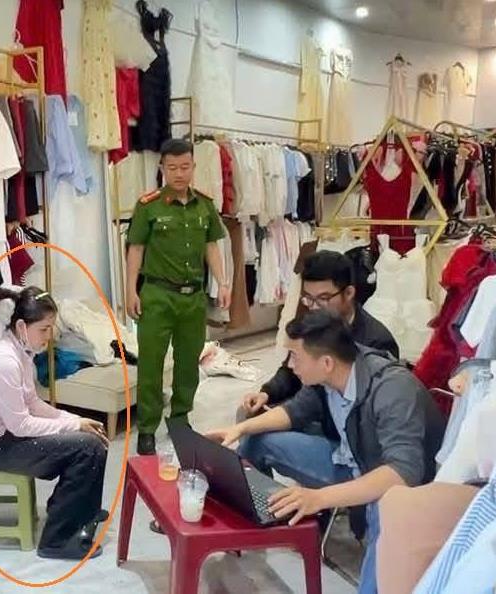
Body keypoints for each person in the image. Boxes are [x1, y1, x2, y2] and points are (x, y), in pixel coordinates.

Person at [207, 310, 445, 594]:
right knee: (256, 441)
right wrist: (240, 429)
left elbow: (403, 472)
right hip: (347, 461)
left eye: (295, 356)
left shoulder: (392, 388)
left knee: (387, 512)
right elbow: (295, 411)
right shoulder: (330, 374)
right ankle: (252, 526)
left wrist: (318, 498)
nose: (290, 365)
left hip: (392, 485)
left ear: (327, 363)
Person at [0, 286, 110, 560]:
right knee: (88, 447)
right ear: (21, 326)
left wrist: (76, 419)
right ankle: (56, 541)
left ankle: (79, 510)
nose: (49, 337)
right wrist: (73, 427)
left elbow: (34, 404)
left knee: (93, 437)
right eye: (44, 329)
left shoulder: (21, 354)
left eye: (51, 328)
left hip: (4, 437)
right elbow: (21, 425)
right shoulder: (4, 362)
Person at [125, 138, 230, 456]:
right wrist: (130, 289)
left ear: (193, 167)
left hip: (192, 298)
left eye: (185, 167)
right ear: (162, 168)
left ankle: (180, 418)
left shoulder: (205, 205)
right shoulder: (148, 206)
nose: (179, 174)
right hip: (157, 295)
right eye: (172, 168)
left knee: (188, 363)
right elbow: (136, 249)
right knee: (151, 364)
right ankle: (147, 428)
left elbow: (212, 246)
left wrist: (223, 283)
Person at [239, 250, 399, 422]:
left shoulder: (376, 341)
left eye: (323, 298)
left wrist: (291, 415)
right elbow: (291, 370)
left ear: (349, 293)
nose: (314, 307)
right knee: (248, 413)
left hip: (340, 424)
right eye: (308, 298)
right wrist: (267, 393)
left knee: (257, 428)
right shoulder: (312, 323)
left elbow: (370, 410)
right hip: (305, 407)